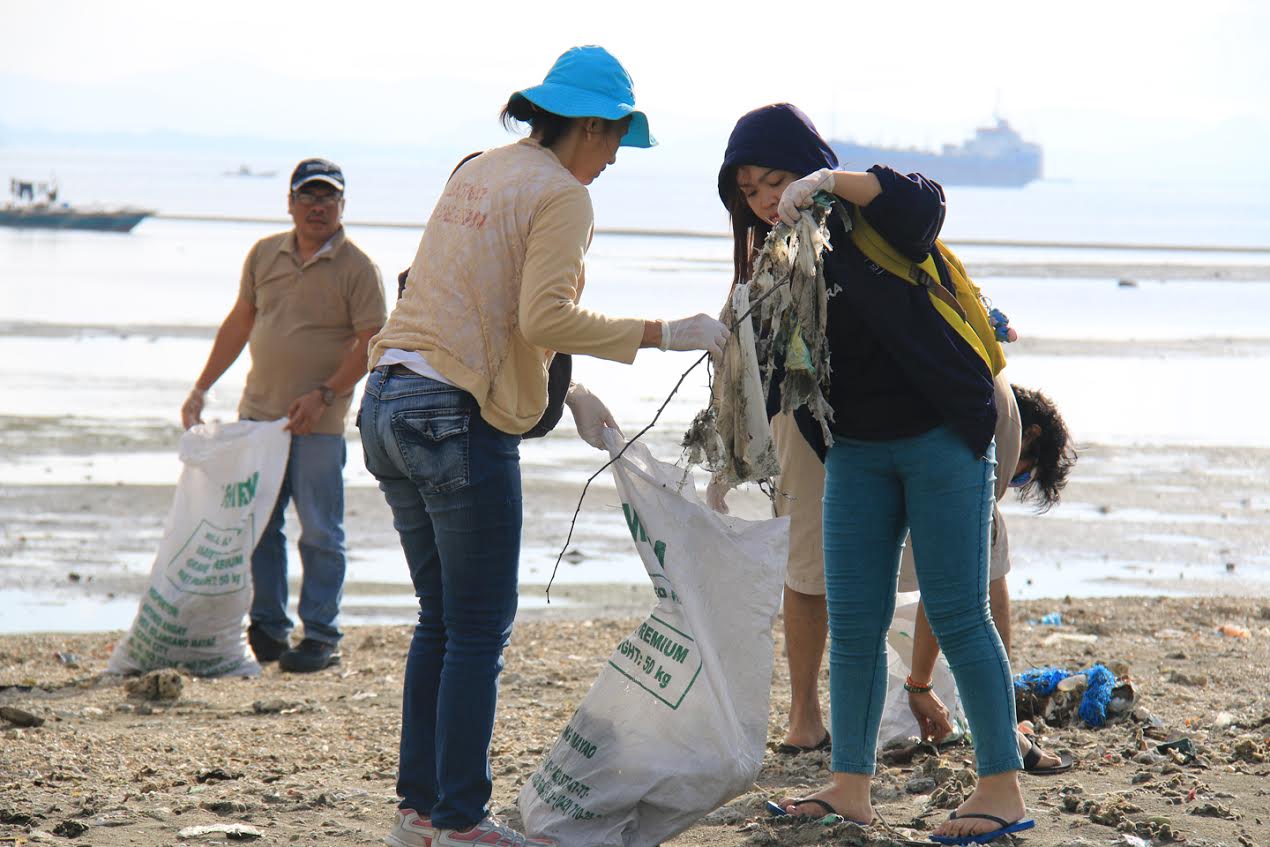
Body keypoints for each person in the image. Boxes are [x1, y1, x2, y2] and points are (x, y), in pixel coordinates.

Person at [360, 46, 729, 847]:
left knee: (440, 618)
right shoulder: (564, 195)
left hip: (387, 397)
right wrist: (667, 333)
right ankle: (459, 820)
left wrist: (563, 394)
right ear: (590, 125)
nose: (612, 163)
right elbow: (541, 319)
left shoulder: (479, 169)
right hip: (454, 417)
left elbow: (467, 297)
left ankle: (418, 812)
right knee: (478, 625)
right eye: (615, 143)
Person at [717, 103, 1030, 845]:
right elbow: (775, 375)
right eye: (749, 187)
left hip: (943, 436)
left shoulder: (871, 217)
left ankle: (1003, 787)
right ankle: (850, 786)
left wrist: (833, 181)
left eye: (779, 177)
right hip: (855, 449)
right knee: (854, 622)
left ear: (810, 166)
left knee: (958, 611)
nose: (766, 196)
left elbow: (927, 204)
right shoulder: (773, 259)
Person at [181, 157, 386, 674]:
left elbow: (373, 343)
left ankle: (320, 635)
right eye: (309, 197)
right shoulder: (263, 254)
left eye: (328, 198)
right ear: (290, 203)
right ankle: (268, 629)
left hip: (318, 425)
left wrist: (324, 394)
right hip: (258, 420)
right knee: (259, 527)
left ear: (342, 205)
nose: (318, 207)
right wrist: (201, 387)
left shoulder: (359, 268)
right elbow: (240, 322)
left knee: (320, 531)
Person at [907, 384, 1077, 771]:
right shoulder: (976, 452)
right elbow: (946, 593)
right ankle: (1002, 727)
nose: (1009, 486)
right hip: (941, 502)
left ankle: (1001, 719)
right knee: (976, 568)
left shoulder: (964, 399)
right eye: (1020, 479)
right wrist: (918, 684)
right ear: (1025, 435)